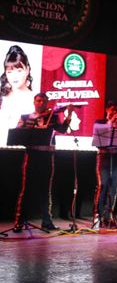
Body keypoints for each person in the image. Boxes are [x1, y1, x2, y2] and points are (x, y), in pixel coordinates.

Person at [13, 93, 72, 232]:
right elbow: (17, 134)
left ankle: (47, 221)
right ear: (34, 102)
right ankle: (19, 221)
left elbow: (63, 129)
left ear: (47, 103)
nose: (41, 103)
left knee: (45, 189)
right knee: (26, 189)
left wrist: (69, 114)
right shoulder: (25, 117)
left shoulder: (53, 117)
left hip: (46, 155)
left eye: (44, 101)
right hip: (31, 155)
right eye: (38, 101)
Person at [92, 101, 117, 229]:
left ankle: (108, 216)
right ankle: (97, 216)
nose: (115, 113)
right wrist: (110, 123)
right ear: (107, 110)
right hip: (104, 156)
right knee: (103, 185)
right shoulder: (99, 122)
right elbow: (97, 139)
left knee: (114, 186)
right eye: (112, 110)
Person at [0, 45, 35, 146]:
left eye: (19, 70)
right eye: (10, 72)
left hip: (23, 148)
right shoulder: (2, 97)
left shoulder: (34, 98)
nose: (14, 76)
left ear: (27, 70)